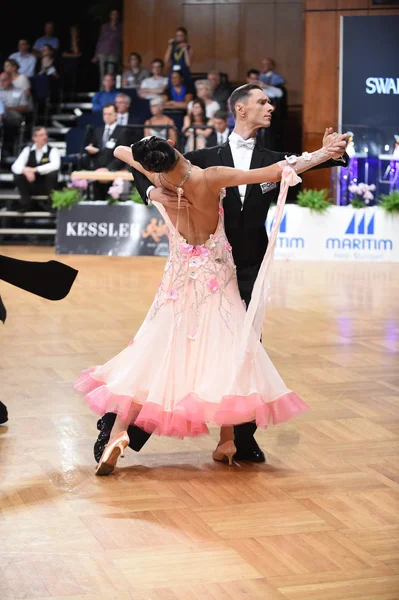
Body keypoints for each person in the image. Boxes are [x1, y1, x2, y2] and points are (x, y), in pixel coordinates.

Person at [91, 84, 349, 466]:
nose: (270, 107)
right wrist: (151, 195)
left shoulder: (225, 161)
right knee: (227, 350)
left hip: (234, 268)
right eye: (262, 101)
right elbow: (283, 171)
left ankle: (239, 440)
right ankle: (135, 430)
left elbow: (136, 158)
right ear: (239, 109)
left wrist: (331, 153)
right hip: (220, 273)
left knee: (215, 349)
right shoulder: (205, 165)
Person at [82, 102, 129, 200]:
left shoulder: (123, 131)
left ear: (116, 115)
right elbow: (94, 148)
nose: (106, 117)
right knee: (97, 200)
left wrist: (108, 169)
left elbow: (122, 155)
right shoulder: (98, 130)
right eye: (105, 114)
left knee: (112, 201)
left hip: (114, 171)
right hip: (98, 171)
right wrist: (90, 150)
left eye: (109, 114)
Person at [11, 126, 60, 212]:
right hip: (31, 185)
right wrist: (25, 170)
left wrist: (35, 170)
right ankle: (25, 203)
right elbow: (15, 166)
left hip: (46, 186)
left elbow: (55, 165)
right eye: (41, 135)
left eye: (45, 134)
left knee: (53, 174)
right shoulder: (27, 150)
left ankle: (51, 204)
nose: (44, 137)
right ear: (34, 138)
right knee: (18, 175)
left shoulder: (53, 150)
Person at [92, 9, 122, 87]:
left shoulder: (121, 27)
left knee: (111, 74)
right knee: (102, 74)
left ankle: (110, 92)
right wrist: (96, 54)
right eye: (113, 14)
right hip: (102, 52)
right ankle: (102, 92)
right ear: (110, 16)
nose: (114, 16)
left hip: (114, 53)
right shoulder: (104, 27)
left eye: (116, 14)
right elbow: (100, 40)